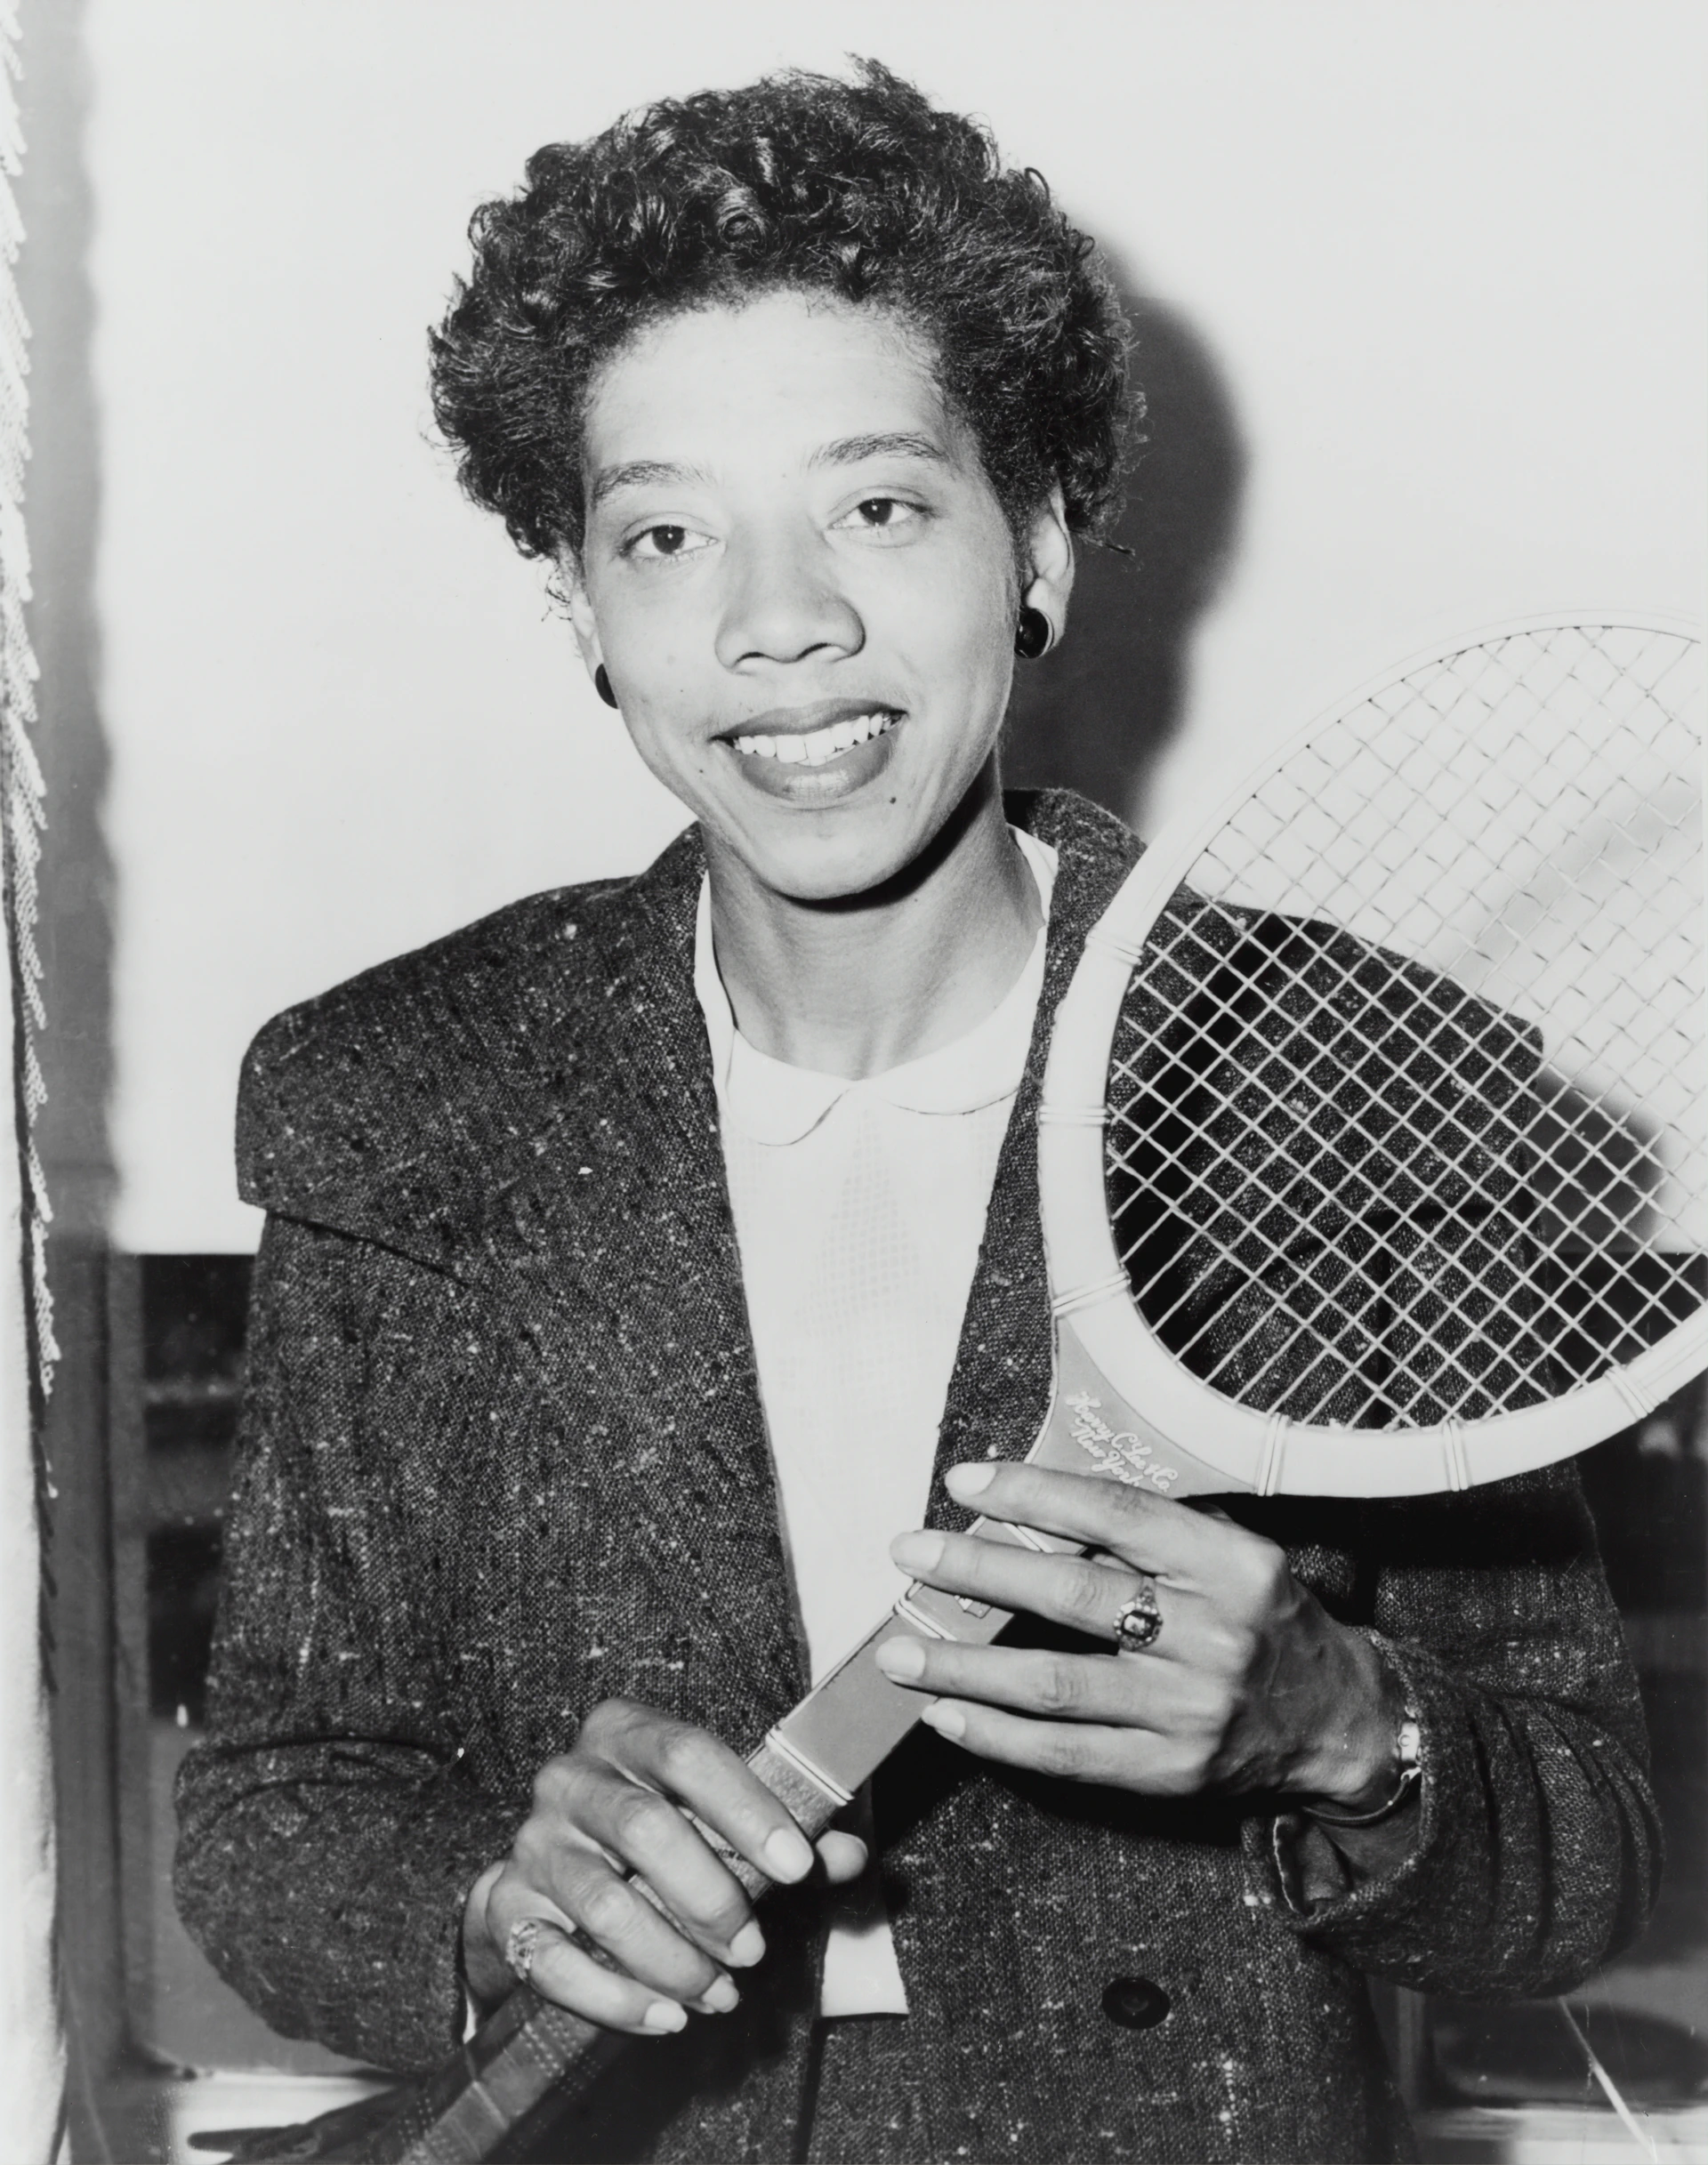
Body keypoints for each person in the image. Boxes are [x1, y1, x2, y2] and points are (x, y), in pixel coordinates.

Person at [174, 62, 1659, 2164]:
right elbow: (278, 1807)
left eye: (879, 503)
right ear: (581, 609)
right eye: (666, 531)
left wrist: (1338, 1722)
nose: (780, 622)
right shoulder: (403, 1096)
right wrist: (503, 1894)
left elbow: (1579, 1862)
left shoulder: (1332, 1071)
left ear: (1037, 543)